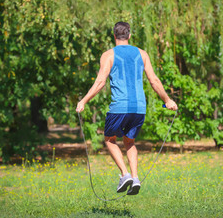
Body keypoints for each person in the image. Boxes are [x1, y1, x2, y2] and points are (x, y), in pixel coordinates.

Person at [76, 22, 178, 195]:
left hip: (120, 106)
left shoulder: (108, 55)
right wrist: (168, 100)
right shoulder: (142, 54)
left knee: (109, 139)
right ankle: (136, 178)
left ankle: (125, 175)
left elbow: (100, 82)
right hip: (139, 107)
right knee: (129, 141)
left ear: (114, 36)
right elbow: (154, 80)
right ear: (129, 35)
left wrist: (83, 101)